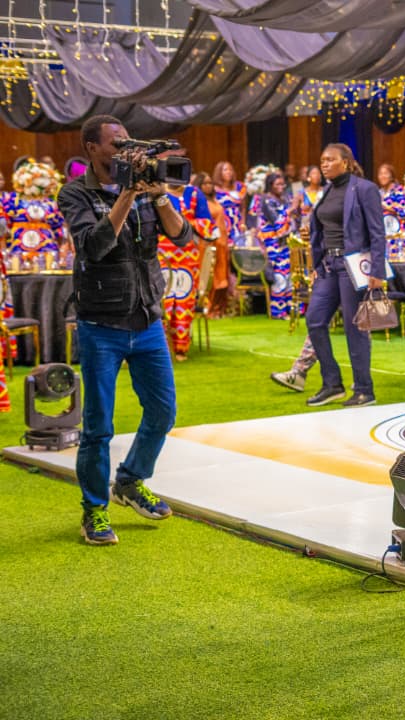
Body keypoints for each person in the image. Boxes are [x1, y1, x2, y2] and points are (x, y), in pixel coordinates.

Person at [56, 114, 193, 545]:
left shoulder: (146, 190)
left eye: (127, 142)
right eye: (116, 143)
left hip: (147, 320)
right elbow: (94, 247)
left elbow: (182, 237)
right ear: (92, 147)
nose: (124, 149)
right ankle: (94, 511)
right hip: (101, 324)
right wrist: (127, 194)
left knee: (163, 412)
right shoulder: (76, 193)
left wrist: (159, 196)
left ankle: (130, 480)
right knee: (98, 427)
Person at [302, 143, 386, 408]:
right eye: (322, 160)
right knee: (314, 320)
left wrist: (378, 270)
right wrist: (316, 262)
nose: (324, 164)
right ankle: (332, 384)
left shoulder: (364, 188)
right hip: (328, 265)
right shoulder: (327, 190)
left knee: (354, 327)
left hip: (354, 265)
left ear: (346, 162)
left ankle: (364, 390)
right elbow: (321, 229)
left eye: (330, 159)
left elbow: (377, 232)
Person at [158, 168, 215, 360]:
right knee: (162, 299)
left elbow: (207, 223)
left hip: (188, 256)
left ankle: (181, 347)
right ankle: (161, 346)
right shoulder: (157, 192)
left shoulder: (194, 194)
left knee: (184, 299)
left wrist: (185, 224)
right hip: (160, 255)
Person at [193, 172, 232, 318]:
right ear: (199, 185)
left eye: (210, 183)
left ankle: (217, 308)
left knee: (221, 275)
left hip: (221, 243)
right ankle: (206, 307)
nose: (208, 186)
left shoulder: (214, 201)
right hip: (207, 243)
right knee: (208, 276)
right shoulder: (198, 203)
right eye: (205, 183)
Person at [258, 172, 294, 319]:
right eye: (277, 184)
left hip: (286, 242)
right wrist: (291, 210)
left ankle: (291, 308)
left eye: (282, 184)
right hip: (273, 243)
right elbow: (278, 222)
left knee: (289, 274)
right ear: (270, 185)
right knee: (279, 275)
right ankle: (278, 311)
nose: (281, 187)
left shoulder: (285, 198)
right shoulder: (266, 201)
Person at [213, 161, 247, 246]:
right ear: (219, 172)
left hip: (237, 224)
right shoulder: (213, 189)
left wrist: (243, 223)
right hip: (222, 223)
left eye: (230, 170)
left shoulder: (239, 187)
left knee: (239, 248)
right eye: (225, 170)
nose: (229, 172)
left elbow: (243, 207)